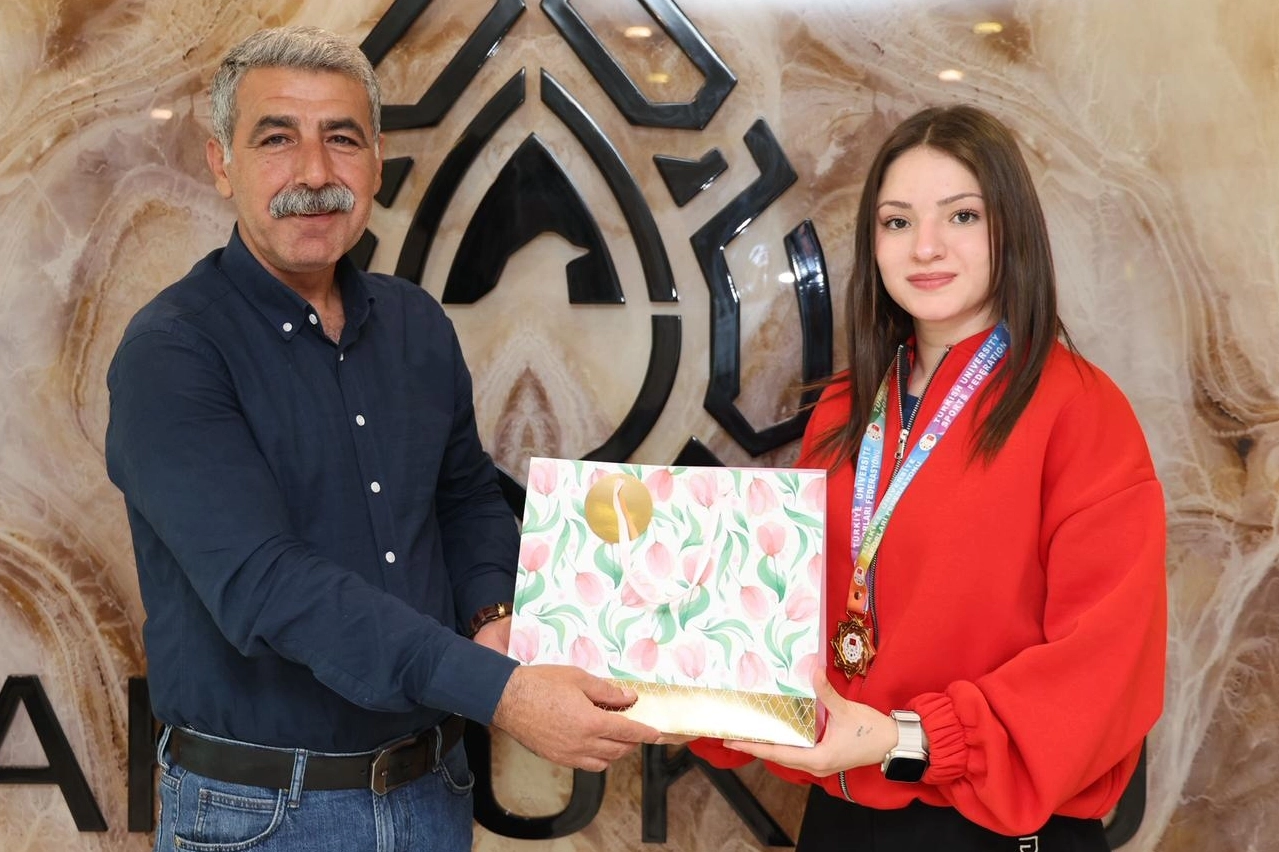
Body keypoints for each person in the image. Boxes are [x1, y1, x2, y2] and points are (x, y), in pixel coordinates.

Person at [105, 25, 658, 852]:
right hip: (261, 818)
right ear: (221, 163)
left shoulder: (413, 324)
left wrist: (493, 612)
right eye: (276, 139)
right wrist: (499, 691)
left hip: (432, 788)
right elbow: (268, 584)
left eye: (341, 139)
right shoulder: (173, 352)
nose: (314, 174)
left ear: (376, 162)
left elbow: (464, 497)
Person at [690, 104, 1167, 850]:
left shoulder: (1080, 410)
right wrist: (670, 665)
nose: (926, 247)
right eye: (897, 222)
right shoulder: (847, 406)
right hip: (843, 820)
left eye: (961, 216)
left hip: (993, 825)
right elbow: (787, 609)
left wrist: (908, 738)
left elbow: (1103, 666)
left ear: (1010, 230)